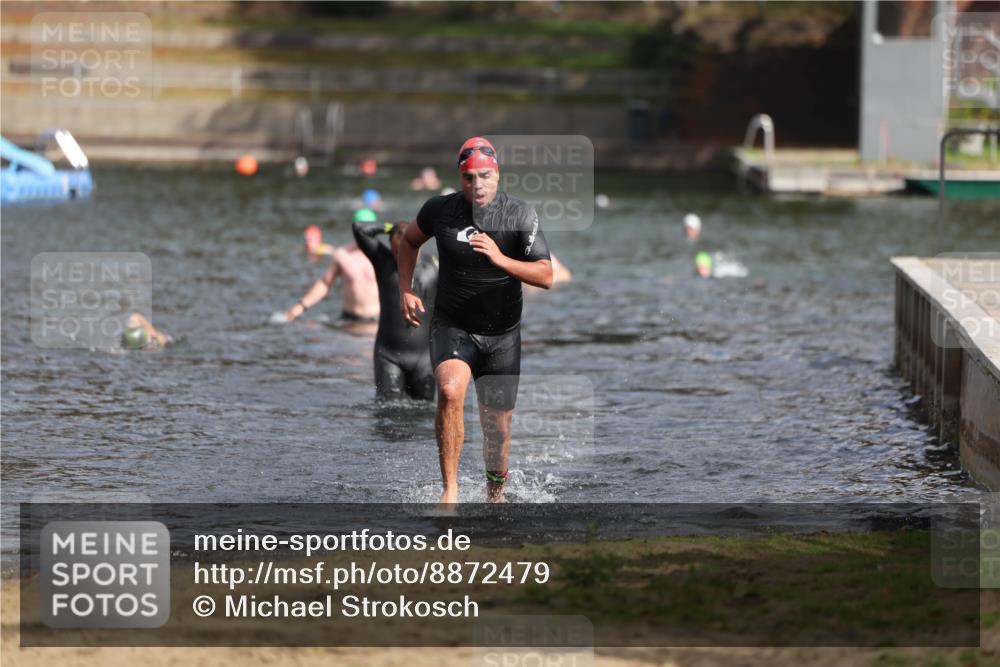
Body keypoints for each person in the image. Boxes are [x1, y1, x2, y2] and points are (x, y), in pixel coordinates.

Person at [397, 136, 553, 504]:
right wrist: (405, 288)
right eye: (469, 178)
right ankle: (449, 491)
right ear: (460, 177)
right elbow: (408, 241)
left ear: (497, 175)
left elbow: (545, 275)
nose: (477, 185)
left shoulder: (519, 215)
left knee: (497, 428)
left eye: (485, 176)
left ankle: (494, 495)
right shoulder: (440, 210)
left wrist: (501, 259)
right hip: (454, 325)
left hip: (502, 335)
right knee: (450, 391)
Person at [353, 220, 438, 401]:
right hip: (389, 357)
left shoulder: (434, 265)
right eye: (399, 249)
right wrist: (391, 227)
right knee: (388, 412)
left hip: (425, 359)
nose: (403, 255)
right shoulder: (383, 261)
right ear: (391, 243)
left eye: (410, 246)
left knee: (424, 415)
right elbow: (360, 229)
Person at [281, 210, 380, 323]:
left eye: (367, 227)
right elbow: (325, 283)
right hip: (350, 320)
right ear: (354, 229)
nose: (363, 231)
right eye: (360, 227)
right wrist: (300, 306)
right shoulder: (343, 255)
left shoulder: (383, 255)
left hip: (377, 321)